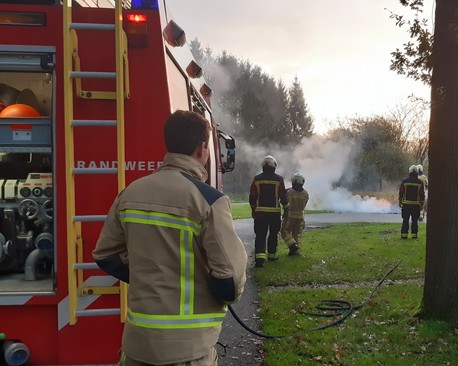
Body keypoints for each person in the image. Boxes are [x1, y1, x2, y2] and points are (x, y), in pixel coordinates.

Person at [92, 110, 248, 366]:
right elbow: (230, 282)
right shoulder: (209, 200)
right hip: (188, 351)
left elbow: (106, 255)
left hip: (136, 347)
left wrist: (149, 271)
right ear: (201, 149)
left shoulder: (131, 193)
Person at [249, 155, 289, 267]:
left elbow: (252, 197)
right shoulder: (279, 179)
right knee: (273, 234)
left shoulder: (257, 179)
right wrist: (286, 209)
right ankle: (271, 256)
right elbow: (283, 196)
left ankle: (260, 258)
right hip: (274, 213)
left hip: (260, 213)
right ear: (274, 166)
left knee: (260, 235)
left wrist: (253, 210)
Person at [281, 172, 309, 256]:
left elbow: (287, 204)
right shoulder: (305, 193)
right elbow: (305, 204)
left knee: (284, 231)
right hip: (301, 216)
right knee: (296, 234)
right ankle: (296, 252)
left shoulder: (290, 192)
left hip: (290, 216)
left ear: (294, 181)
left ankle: (293, 246)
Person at [398, 165, 425, 239]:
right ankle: (414, 235)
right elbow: (422, 195)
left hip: (406, 205)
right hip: (416, 205)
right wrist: (422, 205)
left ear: (409, 172)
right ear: (417, 173)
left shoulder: (404, 181)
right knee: (414, 221)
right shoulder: (420, 183)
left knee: (405, 220)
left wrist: (400, 202)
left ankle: (404, 235)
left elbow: (401, 192)